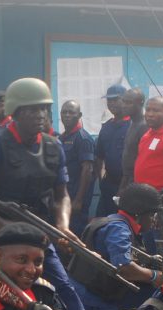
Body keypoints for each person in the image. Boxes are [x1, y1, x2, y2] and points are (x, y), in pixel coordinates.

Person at [0, 76, 97, 310]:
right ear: (15, 112)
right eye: (32, 109)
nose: (41, 115)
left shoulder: (53, 146)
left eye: (44, 108)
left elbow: (62, 194)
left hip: (38, 234)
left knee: (64, 291)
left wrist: (63, 225)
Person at [71, 183, 163, 310]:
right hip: (93, 299)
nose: (154, 220)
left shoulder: (113, 220)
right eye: (152, 214)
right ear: (138, 214)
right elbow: (123, 268)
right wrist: (154, 276)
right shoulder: (118, 229)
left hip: (98, 290)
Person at [59, 100, 96, 235]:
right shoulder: (62, 137)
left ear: (79, 115)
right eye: (64, 112)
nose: (67, 115)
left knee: (75, 234)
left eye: (71, 112)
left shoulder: (83, 138)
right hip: (64, 195)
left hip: (75, 198)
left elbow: (88, 170)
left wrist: (78, 200)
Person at [94, 84, 130, 219]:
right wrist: (101, 179)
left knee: (123, 225)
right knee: (101, 222)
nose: (112, 103)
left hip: (127, 187)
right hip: (108, 186)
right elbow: (99, 156)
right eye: (109, 100)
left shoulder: (134, 125)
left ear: (125, 101)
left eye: (116, 99)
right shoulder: (106, 127)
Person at [117, 88, 146, 194]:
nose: (123, 105)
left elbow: (142, 160)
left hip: (138, 183)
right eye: (123, 101)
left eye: (128, 102)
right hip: (127, 180)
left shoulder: (144, 127)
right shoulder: (132, 123)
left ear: (140, 103)